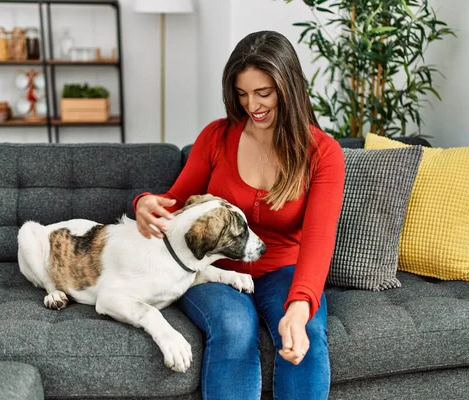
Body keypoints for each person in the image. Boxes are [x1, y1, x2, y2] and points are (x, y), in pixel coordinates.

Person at [134, 30, 345, 400]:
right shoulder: (217, 137)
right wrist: (143, 203)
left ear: (288, 86)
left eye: (263, 93)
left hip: (283, 268)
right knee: (235, 327)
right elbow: (176, 202)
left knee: (306, 331)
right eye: (242, 94)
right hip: (215, 270)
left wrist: (299, 306)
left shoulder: (322, 153)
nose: (252, 105)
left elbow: (319, 238)